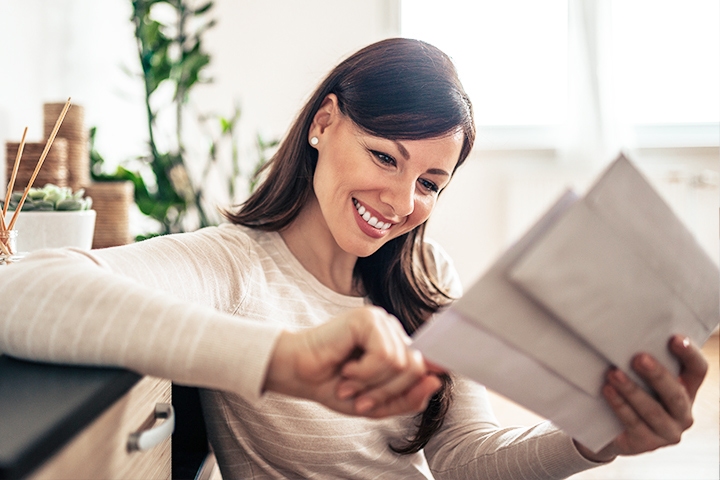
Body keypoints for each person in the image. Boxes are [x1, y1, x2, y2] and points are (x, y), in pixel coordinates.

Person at [0, 38, 708, 479]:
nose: (401, 201)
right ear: (324, 122)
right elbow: (20, 290)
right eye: (383, 157)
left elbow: (465, 460)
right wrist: (288, 358)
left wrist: (595, 440)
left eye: (430, 182)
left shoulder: (427, 281)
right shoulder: (231, 265)